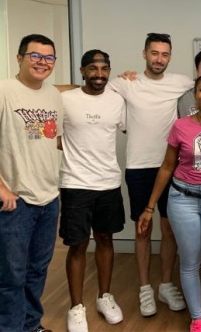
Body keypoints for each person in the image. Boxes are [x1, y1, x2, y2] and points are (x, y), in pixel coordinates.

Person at [0, 34, 63, 332]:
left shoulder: (53, 95)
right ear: (19, 57)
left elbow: (49, 139)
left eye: (49, 57)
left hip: (48, 200)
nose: (42, 62)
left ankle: (31, 325)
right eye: (35, 56)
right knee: (11, 276)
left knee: (37, 271)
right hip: (12, 204)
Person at [138, 73, 201, 332]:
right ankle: (197, 318)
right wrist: (150, 207)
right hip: (182, 199)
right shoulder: (181, 126)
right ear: (195, 95)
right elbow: (167, 166)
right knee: (190, 262)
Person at [107, 32, 193, 316]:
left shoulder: (180, 82)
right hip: (138, 167)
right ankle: (145, 288)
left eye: (164, 54)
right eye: (154, 53)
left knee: (169, 229)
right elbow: (92, 87)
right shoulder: (126, 83)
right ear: (144, 54)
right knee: (142, 229)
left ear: (170, 57)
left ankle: (166, 285)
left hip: (171, 165)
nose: (159, 59)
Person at [58, 50, 126, 332]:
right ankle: (76, 307)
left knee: (106, 239)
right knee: (77, 244)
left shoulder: (117, 100)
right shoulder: (66, 99)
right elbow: (53, 133)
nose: (99, 74)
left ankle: (104, 297)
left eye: (104, 68)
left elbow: (129, 128)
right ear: (82, 71)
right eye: (93, 68)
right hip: (75, 183)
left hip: (108, 183)